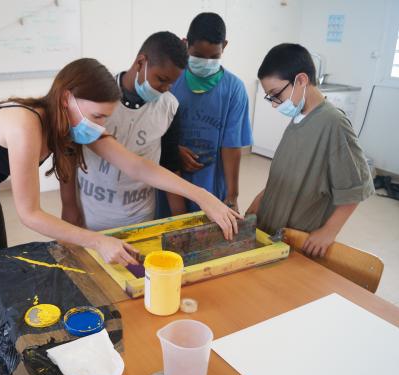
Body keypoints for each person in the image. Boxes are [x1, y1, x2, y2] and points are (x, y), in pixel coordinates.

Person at [0, 57, 241, 375]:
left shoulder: (74, 122)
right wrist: (96, 239)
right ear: (66, 99)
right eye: (97, 116)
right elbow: (30, 213)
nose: (100, 126)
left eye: (106, 117)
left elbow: (137, 166)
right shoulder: (25, 124)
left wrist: (204, 197)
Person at [247, 43, 374, 257]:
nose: (275, 104)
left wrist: (328, 231)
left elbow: (356, 187)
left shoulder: (333, 124)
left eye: (276, 94)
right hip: (270, 230)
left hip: (296, 240)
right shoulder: (298, 117)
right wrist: (258, 202)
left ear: (301, 80)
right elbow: (286, 173)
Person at [60, 32, 186, 231]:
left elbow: (170, 163)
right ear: (140, 63)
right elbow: (67, 152)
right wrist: (69, 206)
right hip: (92, 217)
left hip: (140, 218)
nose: (165, 88)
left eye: (171, 83)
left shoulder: (169, 107)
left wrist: (180, 216)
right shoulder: (98, 96)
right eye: (161, 79)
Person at [157, 12, 253, 217]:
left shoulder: (233, 89)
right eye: (198, 56)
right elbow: (153, 131)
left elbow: (232, 146)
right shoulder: (171, 80)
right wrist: (173, 150)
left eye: (214, 57)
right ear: (185, 44)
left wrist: (232, 196)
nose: (206, 62)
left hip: (211, 182)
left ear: (224, 46)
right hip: (171, 180)